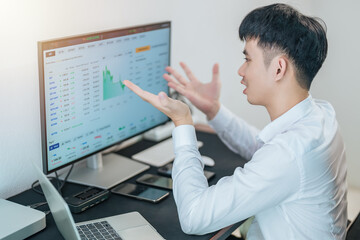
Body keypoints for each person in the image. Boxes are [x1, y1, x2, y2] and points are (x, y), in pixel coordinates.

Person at [124, 3, 347, 240]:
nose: (241, 70)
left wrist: (183, 121)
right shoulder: (320, 115)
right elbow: (262, 147)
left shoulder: (289, 154)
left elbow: (193, 216)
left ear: (279, 68)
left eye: (248, 59)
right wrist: (214, 110)